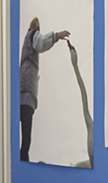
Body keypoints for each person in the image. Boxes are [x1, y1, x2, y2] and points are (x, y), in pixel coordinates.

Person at [19, 17, 70, 161]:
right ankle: (23, 161)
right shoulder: (32, 35)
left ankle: (21, 159)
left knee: (21, 135)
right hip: (27, 94)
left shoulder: (26, 41)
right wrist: (57, 36)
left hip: (23, 91)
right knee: (26, 136)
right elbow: (41, 43)